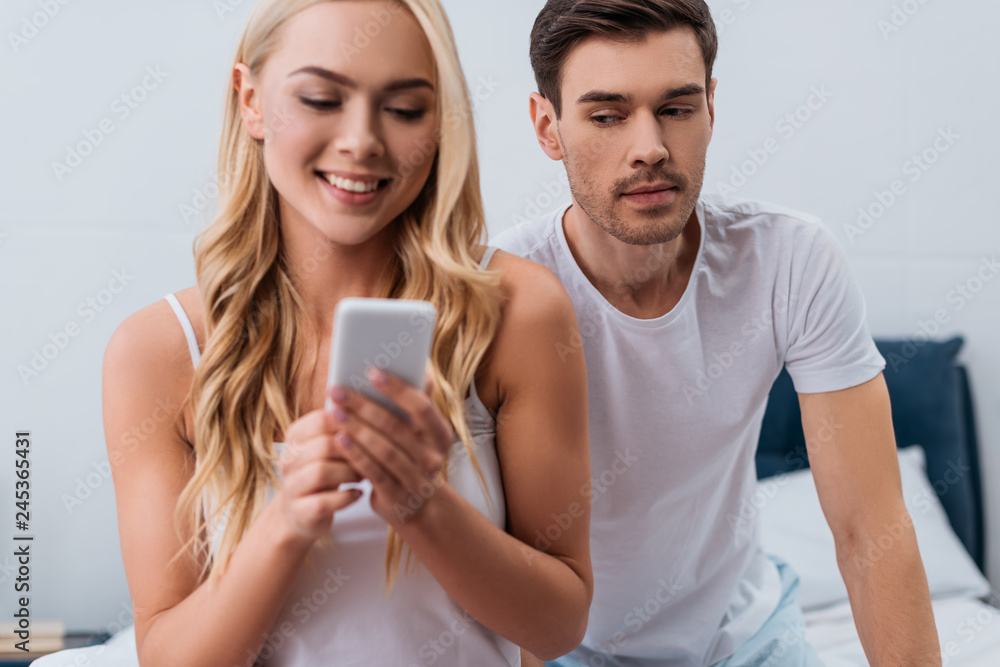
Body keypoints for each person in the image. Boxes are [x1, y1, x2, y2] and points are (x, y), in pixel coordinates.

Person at [101, 1, 593, 665]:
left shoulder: (520, 312)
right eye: (320, 98)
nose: (362, 139)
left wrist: (424, 507)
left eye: (405, 107)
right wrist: (286, 523)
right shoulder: (156, 353)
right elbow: (168, 655)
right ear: (250, 101)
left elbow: (559, 624)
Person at [496, 1, 942, 666]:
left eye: (675, 108)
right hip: (560, 646)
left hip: (745, 635)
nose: (648, 146)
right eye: (607, 115)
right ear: (547, 126)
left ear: (710, 105)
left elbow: (869, 529)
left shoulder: (790, 260)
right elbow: (508, 551)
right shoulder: (496, 290)